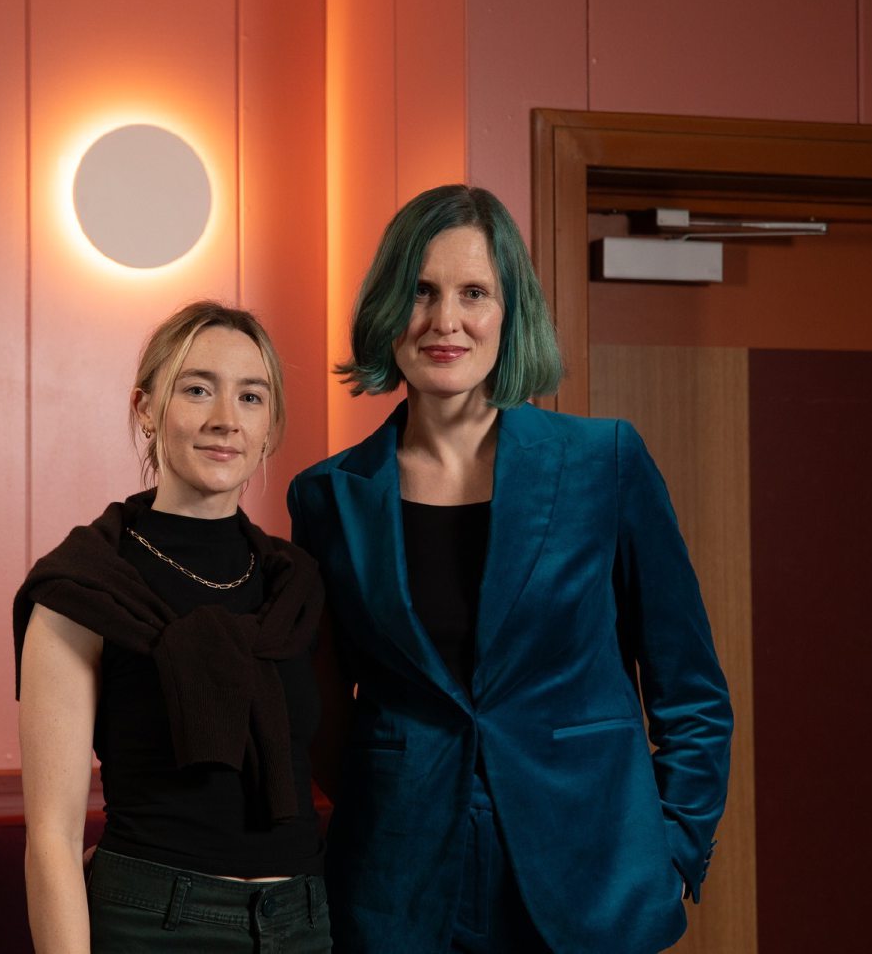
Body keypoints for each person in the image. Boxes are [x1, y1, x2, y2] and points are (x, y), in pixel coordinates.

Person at [287, 185, 733, 954]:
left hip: (591, 880)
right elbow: (326, 714)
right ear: (390, 308)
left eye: (474, 293)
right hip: (398, 887)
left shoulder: (605, 463)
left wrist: (674, 850)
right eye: (421, 292)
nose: (444, 320)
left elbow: (690, 689)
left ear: (508, 310)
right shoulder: (328, 496)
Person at [14, 301, 330, 953]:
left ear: (269, 425)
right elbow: (51, 836)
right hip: (155, 923)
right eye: (196, 389)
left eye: (251, 396)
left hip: (301, 919)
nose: (225, 419)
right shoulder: (83, 586)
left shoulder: (295, 586)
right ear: (147, 409)